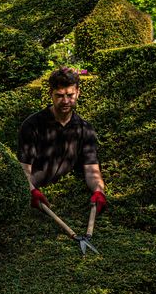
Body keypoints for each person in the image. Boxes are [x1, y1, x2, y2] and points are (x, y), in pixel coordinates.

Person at [17, 67, 107, 215]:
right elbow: (23, 170)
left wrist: (99, 192)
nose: (65, 101)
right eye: (59, 96)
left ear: (78, 93)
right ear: (50, 94)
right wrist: (31, 191)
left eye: (70, 95)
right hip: (32, 197)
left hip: (64, 198)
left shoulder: (85, 129)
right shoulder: (32, 125)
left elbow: (91, 171)